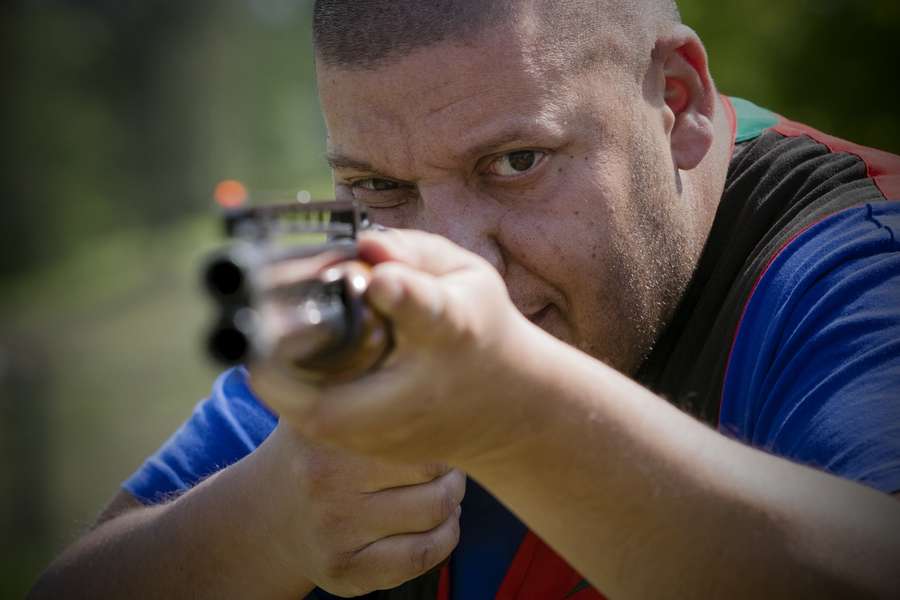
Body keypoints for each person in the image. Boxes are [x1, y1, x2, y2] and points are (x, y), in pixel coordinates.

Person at [31, 1, 900, 598]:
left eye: (515, 163)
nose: (453, 261)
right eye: (379, 184)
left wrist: (510, 413)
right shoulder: (365, 279)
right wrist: (268, 522)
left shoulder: (856, 252)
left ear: (676, 103)